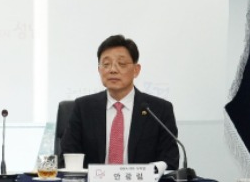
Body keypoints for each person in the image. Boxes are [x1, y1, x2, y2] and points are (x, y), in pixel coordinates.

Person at [61, 34, 179, 169]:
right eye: (106, 64)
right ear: (99, 70)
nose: (113, 70)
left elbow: (170, 160)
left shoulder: (158, 110)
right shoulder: (83, 108)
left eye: (121, 64)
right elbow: (67, 156)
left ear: (136, 70)